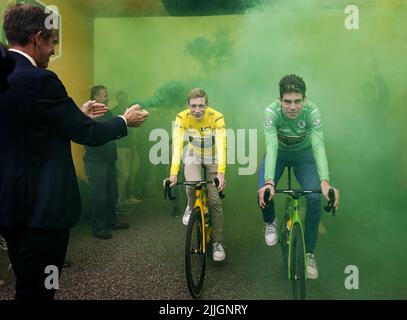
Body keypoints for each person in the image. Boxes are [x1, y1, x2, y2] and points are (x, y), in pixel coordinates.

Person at [0, 4, 148, 300]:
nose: (53, 50)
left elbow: (27, 126)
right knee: (44, 288)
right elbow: (88, 134)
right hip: (44, 213)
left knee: (26, 282)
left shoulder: (9, 76)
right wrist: (123, 121)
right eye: (53, 41)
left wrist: (74, 113)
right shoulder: (40, 80)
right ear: (37, 37)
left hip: (11, 208)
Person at [257, 74, 340, 280]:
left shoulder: (312, 111)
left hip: (304, 155)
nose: (292, 107)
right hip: (279, 154)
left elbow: (319, 146)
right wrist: (269, 182)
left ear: (305, 99)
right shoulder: (271, 112)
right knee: (264, 192)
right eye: (287, 102)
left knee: (313, 198)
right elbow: (272, 145)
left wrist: (325, 182)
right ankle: (270, 222)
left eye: (297, 101)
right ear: (280, 101)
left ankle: (310, 253)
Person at [165, 88, 227, 261]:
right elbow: (177, 146)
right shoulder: (181, 117)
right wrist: (173, 174)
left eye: (201, 105)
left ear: (207, 105)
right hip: (194, 154)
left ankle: (217, 242)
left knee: (214, 201)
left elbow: (222, 145)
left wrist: (221, 173)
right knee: (191, 185)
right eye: (193, 106)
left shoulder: (217, 117)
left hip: (213, 156)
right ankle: (191, 205)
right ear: (188, 105)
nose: (197, 110)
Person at [84, 86, 130, 239]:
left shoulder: (106, 110)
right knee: (99, 195)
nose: (107, 97)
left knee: (112, 192)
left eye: (107, 94)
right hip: (96, 161)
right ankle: (99, 227)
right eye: (104, 95)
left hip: (109, 159)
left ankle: (111, 221)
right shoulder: (92, 111)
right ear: (96, 96)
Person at [110, 91, 142, 210]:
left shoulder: (129, 110)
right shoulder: (114, 111)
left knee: (131, 171)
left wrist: (134, 143)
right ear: (118, 99)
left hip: (130, 146)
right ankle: (119, 202)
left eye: (125, 97)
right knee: (123, 174)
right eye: (121, 98)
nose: (123, 100)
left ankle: (127, 197)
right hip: (120, 147)